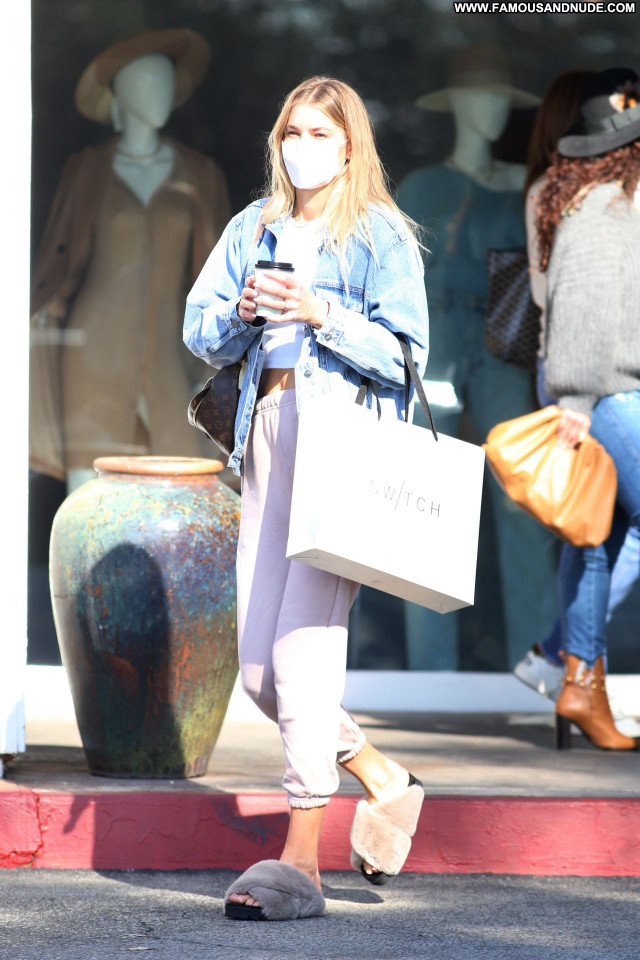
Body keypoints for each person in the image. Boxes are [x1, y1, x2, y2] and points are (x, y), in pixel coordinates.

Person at [183, 76, 429, 920]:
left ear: (350, 146)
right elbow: (198, 327)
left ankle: (301, 865)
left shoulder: (379, 234)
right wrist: (243, 311)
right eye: (292, 132)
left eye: (321, 134)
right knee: (260, 672)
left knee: (303, 656)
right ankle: (382, 777)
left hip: (340, 448)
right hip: (265, 435)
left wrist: (321, 311)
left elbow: (407, 356)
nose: (303, 148)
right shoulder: (253, 226)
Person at [513, 69, 640, 739]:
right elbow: (583, 309)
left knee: (597, 536)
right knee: (598, 533)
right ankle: (566, 662)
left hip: (604, 389)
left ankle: (577, 687)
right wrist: (580, 398)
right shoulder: (606, 204)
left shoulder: (606, 198)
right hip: (603, 391)